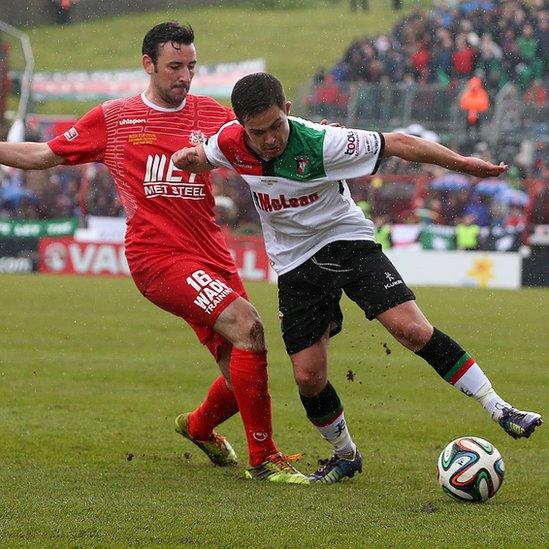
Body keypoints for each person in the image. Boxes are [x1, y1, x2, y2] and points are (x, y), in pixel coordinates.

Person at [172, 72, 543, 484]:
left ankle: (499, 407)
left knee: (411, 330)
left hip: (346, 241)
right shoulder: (229, 142)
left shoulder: (323, 143)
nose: (271, 139)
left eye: (277, 126)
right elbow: (206, 155)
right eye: (258, 132)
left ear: (288, 111)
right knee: (308, 377)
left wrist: (464, 164)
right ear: (242, 127)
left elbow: (400, 142)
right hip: (295, 265)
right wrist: (186, 159)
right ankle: (345, 454)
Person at [0, 26, 309, 485]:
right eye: (174, 67)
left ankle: (199, 426)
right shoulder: (115, 118)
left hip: (211, 253)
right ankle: (264, 459)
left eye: (191, 67)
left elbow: (266, 139)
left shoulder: (212, 113)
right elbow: (43, 154)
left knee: (241, 366)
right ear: (148, 64)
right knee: (249, 327)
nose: (185, 77)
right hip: (157, 257)